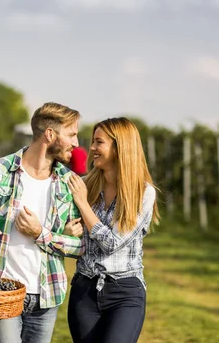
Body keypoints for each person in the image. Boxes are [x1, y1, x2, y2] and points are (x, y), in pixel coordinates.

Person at [0, 102, 85, 343]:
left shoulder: (69, 183)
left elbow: (80, 246)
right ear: (50, 134)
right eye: (71, 134)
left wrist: (41, 233)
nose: (77, 143)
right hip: (3, 290)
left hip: (47, 295)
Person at [66, 117, 160, 343]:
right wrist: (68, 231)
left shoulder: (143, 193)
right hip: (84, 290)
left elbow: (111, 243)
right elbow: (66, 234)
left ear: (120, 148)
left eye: (99, 142)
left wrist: (83, 205)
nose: (92, 148)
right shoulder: (85, 185)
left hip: (125, 292)